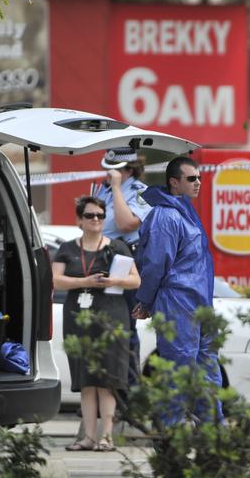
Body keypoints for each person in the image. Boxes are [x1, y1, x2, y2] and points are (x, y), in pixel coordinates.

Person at [131, 156, 222, 426]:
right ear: (174, 182)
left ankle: (215, 437)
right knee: (177, 374)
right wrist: (145, 301)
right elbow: (156, 264)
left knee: (208, 372)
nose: (198, 183)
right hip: (178, 303)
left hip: (200, 304)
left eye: (199, 178)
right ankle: (170, 440)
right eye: (191, 179)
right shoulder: (166, 216)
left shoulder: (184, 211)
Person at [52, 196, 140, 452]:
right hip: (79, 317)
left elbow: (136, 280)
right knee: (86, 378)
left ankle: (107, 437)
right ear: (79, 220)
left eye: (100, 216)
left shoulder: (118, 248)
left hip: (112, 317)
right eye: (90, 216)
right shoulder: (68, 248)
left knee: (108, 379)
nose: (95, 220)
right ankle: (88, 436)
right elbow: (56, 281)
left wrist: (114, 281)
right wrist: (85, 281)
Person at [93, 148, 152, 387]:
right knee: (100, 326)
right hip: (101, 257)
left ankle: (129, 390)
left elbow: (126, 223)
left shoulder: (139, 192)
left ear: (127, 169)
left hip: (125, 258)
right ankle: (104, 389)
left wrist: (117, 188)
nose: (108, 174)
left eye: (113, 170)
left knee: (124, 326)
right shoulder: (101, 189)